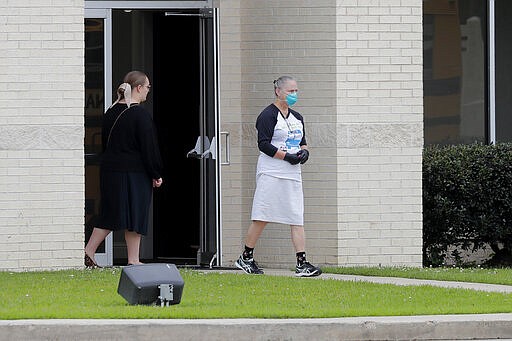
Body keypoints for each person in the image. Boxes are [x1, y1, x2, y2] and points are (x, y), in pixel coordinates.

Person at [235, 75, 322, 277]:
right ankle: (246, 257)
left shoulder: (297, 117)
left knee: (296, 216)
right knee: (263, 214)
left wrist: (304, 152)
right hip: (272, 171)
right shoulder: (267, 115)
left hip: (292, 174)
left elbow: (303, 141)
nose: (294, 95)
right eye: (290, 91)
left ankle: (302, 262)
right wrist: (285, 156)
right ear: (278, 91)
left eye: (296, 91)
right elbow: (264, 144)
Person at [84, 70, 163, 268]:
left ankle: (89, 251)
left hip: (110, 171)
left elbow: (104, 144)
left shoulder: (110, 112)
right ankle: (133, 259)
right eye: (147, 87)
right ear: (138, 88)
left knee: (110, 213)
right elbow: (149, 147)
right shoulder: (140, 115)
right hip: (135, 173)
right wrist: (156, 172)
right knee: (135, 214)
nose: (148, 91)